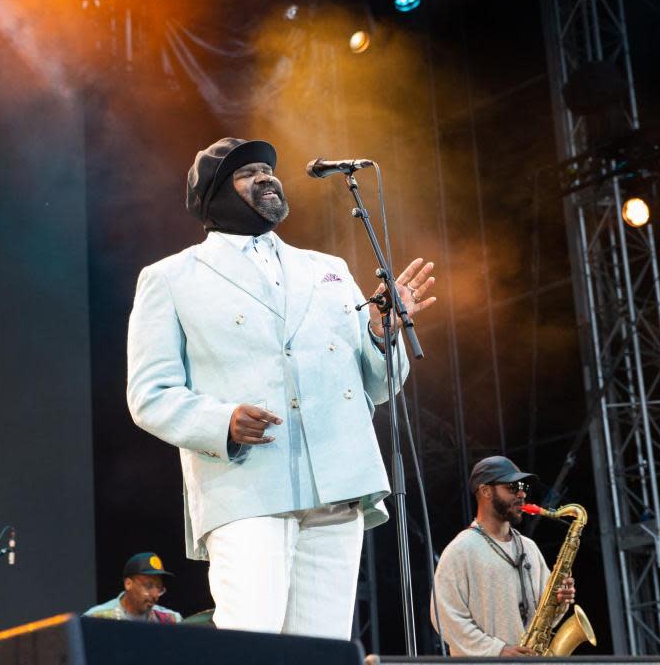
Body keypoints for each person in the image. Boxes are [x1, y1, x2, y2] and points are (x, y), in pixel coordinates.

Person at [126, 137, 435, 640]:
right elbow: (150, 393)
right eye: (248, 173)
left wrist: (383, 337)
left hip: (337, 485)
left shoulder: (326, 269)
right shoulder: (171, 277)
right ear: (214, 194)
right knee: (253, 642)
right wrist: (221, 421)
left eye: (268, 169)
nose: (268, 177)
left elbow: (373, 387)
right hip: (247, 487)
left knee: (322, 648)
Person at [431, 455, 578, 657]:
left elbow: (544, 621)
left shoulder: (529, 548)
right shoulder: (461, 550)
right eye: (512, 487)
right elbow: (445, 618)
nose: (521, 494)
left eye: (523, 488)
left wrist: (559, 602)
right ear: (485, 491)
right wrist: (496, 651)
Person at [84, 552, 182, 623]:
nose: (155, 594)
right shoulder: (96, 619)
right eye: (148, 586)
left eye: (159, 588)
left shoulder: (170, 621)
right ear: (128, 584)